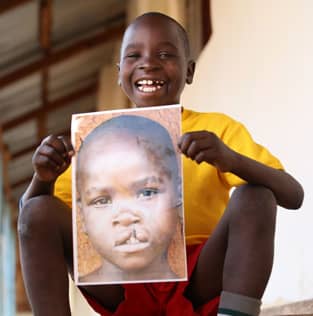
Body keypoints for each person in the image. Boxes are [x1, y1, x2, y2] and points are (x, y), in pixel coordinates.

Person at [18, 11, 304, 316]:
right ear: (119, 73)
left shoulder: (215, 130)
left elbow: (292, 195)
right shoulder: (97, 143)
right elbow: (32, 219)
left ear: (190, 71)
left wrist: (230, 159)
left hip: (200, 278)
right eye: (134, 55)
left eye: (165, 54)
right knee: (37, 208)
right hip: (121, 278)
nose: (148, 63)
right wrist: (43, 177)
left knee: (255, 195)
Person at [75, 114, 185, 283]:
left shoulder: (200, 283)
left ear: (178, 194)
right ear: (82, 216)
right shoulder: (87, 291)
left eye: (147, 193)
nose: (126, 218)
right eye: (102, 201)